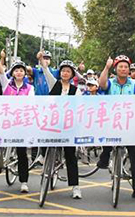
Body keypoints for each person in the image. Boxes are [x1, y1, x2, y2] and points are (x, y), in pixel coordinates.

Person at [98, 54, 135, 200]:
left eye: (126, 67)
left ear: (129, 70)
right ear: (116, 68)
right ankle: (105, 154)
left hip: (129, 123)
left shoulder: (134, 84)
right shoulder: (110, 82)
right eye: (120, 66)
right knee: (106, 133)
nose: (123, 69)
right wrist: (106, 67)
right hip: (111, 122)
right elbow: (102, 85)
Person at [41, 58, 83, 199]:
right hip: (53, 123)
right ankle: (45, 164)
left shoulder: (76, 91)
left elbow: (79, 107)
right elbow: (46, 72)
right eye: (63, 71)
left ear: (72, 74)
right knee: (46, 145)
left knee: (70, 156)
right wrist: (42, 61)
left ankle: (75, 187)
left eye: (68, 71)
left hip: (68, 126)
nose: (65, 73)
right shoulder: (54, 84)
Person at [0, 57, 35, 193]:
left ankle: (24, 181)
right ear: (12, 73)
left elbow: (31, 104)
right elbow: (1, 73)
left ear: (25, 73)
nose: (19, 72)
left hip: (21, 124)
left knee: (21, 153)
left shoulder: (30, 88)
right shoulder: (7, 85)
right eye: (16, 70)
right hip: (6, 121)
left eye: (21, 70)